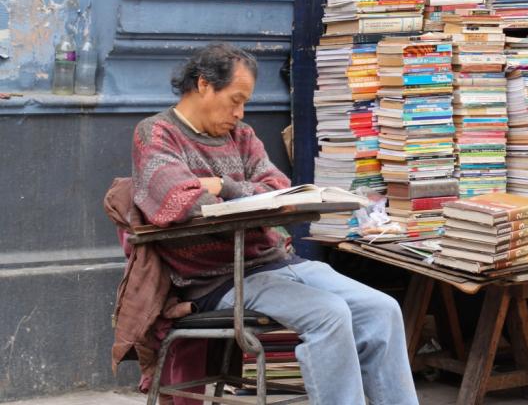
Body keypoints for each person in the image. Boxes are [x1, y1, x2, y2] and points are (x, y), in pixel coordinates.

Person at [131, 42, 419, 405]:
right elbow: (181, 200)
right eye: (236, 100)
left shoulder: (242, 136)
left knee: (382, 310)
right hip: (220, 278)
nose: (241, 112)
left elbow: (279, 187)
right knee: (328, 315)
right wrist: (242, 196)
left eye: (245, 103)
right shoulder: (156, 134)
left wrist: (225, 186)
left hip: (278, 261)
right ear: (203, 85)